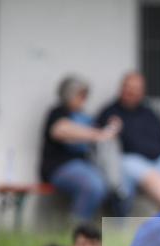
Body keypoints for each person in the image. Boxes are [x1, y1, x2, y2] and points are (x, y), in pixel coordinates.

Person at [40, 75, 121, 221]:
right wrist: (97, 134)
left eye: (85, 96)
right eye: (80, 95)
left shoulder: (84, 116)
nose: (83, 99)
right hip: (59, 167)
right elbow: (60, 130)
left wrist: (111, 128)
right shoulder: (58, 112)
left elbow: (103, 134)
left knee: (115, 185)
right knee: (92, 186)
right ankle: (77, 228)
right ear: (69, 94)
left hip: (85, 166)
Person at [97, 71, 160, 209]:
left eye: (134, 89)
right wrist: (112, 130)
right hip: (129, 160)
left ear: (142, 92)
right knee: (154, 178)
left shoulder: (149, 112)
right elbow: (102, 143)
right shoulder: (110, 112)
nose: (129, 91)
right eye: (127, 87)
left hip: (159, 159)